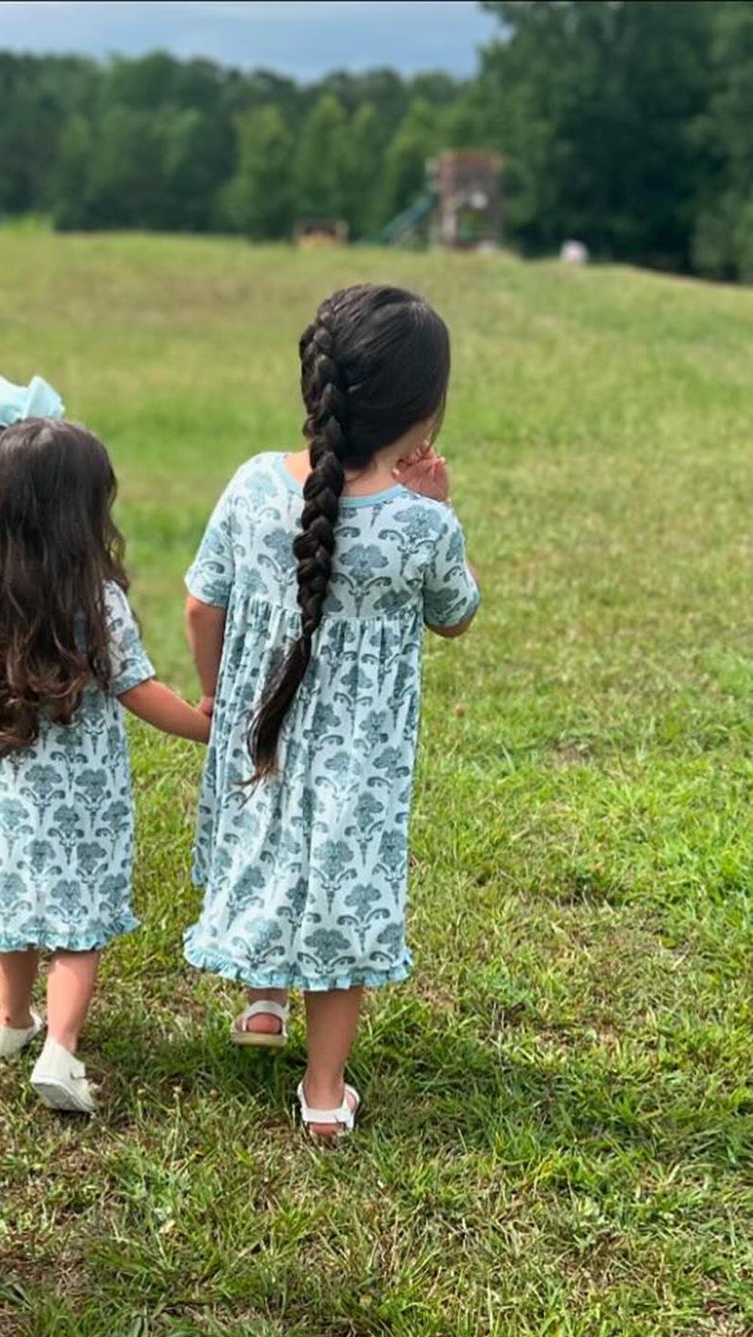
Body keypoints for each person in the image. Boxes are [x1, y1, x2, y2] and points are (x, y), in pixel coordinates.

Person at [183, 285, 480, 1140]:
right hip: (361, 757)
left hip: (260, 732)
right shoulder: (420, 525)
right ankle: (321, 1095)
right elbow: (456, 614)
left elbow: (204, 603)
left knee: (268, 849)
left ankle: (263, 999)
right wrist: (438, 507)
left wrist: (217, 692)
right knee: (340, 893)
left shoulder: (252, 485)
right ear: (424, 411)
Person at [0, 375, 211, 1115]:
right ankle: (59, 1049)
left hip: (3, 789)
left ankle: (9, 1021)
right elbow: (137, 688)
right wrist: (202, 721)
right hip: (82, 803)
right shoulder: (97, 600)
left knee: (11, 905)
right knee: (77, 926)